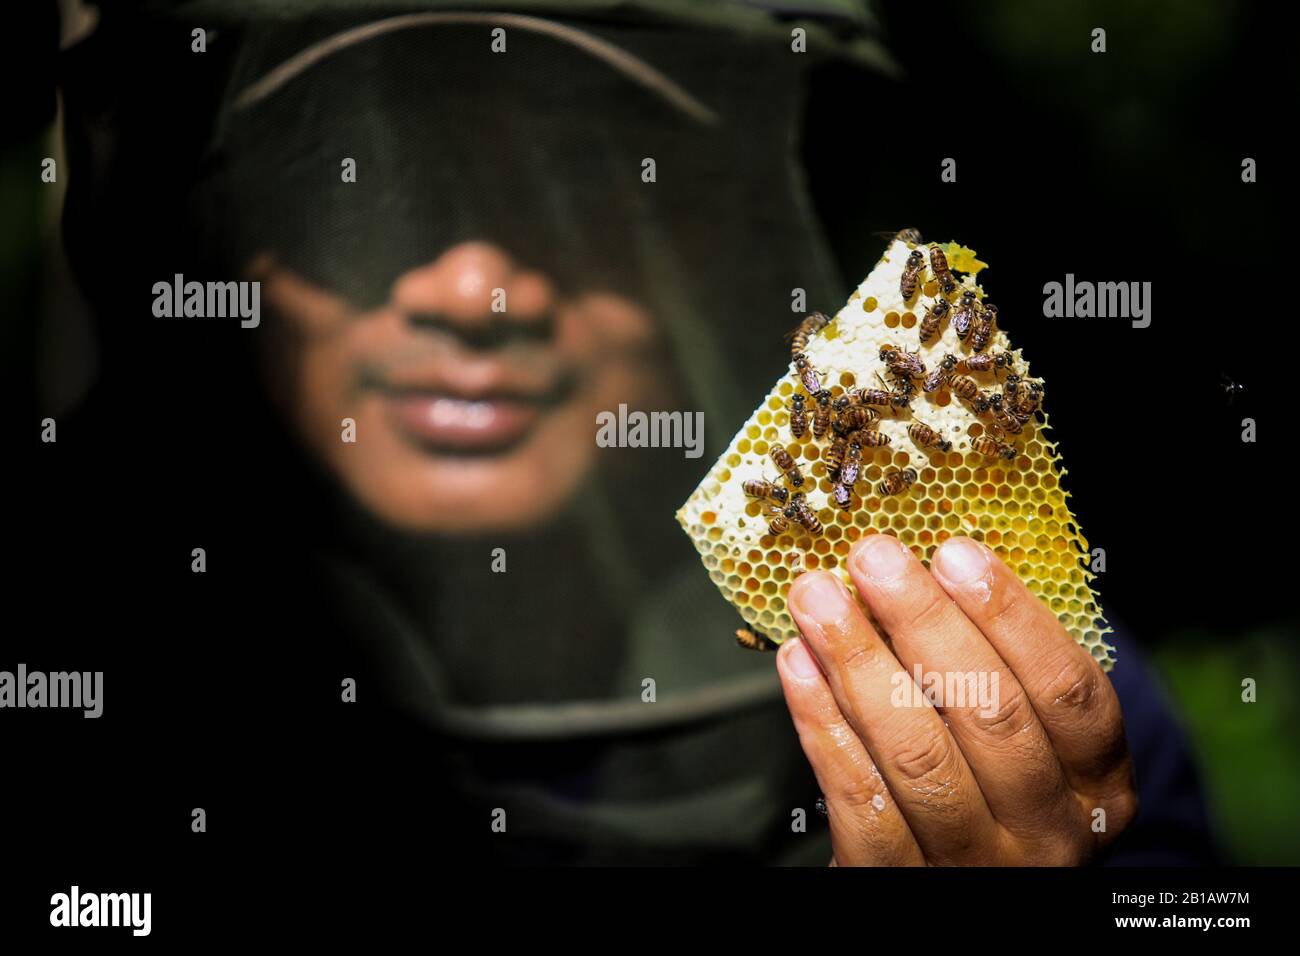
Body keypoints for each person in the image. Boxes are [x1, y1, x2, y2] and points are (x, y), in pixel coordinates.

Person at [55, 0, 1216, 864]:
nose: (471, 288)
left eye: (579, 180)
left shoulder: (1009, 696)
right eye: (354, 190)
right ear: (212, 226)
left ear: (718, 232)